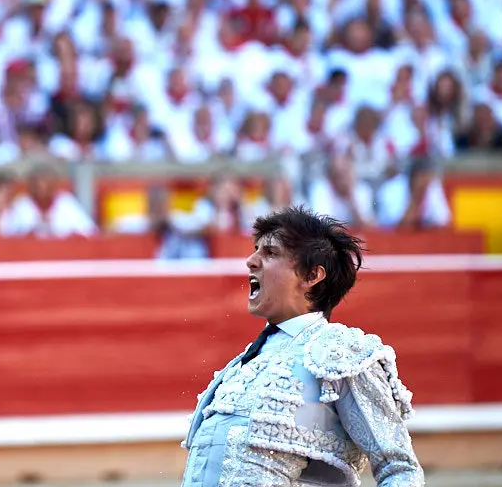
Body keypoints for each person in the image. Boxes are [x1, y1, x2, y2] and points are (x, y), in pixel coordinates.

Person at [181, 206, 423, 486]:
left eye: (271, 253)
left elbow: (399, 468)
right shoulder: (242, 364)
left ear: (311, 276)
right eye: (256, 249)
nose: (251, 260)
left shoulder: (339, 353)